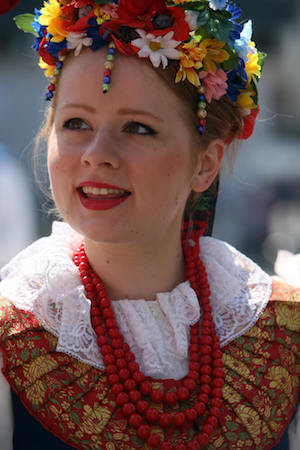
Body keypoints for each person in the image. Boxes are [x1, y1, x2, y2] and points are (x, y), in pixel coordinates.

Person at [0, 1, 299, 449]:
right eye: (76, 122)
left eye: (138, 128)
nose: (97, 153)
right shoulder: (13, 336)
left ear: (206, 163)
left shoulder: (281, 328)